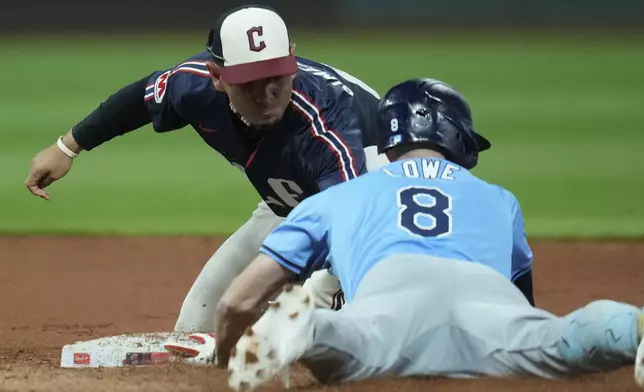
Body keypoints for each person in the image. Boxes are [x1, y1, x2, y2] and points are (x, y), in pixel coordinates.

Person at [210, 78, 644, 391]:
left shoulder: (339, 196)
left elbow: (237, 300)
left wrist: (225, 356)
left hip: (389, 300)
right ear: (456, 136)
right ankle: (633, 329)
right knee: (564, 340)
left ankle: (303, 328)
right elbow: (523, 294)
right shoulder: (499, 199)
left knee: (348, 343)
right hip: (490, 303)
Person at [23, 5, 389, 335]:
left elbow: (351, 226)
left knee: (316, 330)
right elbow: (141, 99)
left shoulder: (328, 126)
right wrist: (67, 147)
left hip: (380, 217)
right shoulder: (193, 85)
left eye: (276, 76)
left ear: (292, 60)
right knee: (196, 328)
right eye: (249, 83)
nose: (266, 94)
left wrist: (310, 298)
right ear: (217, 75)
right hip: (294, 205)